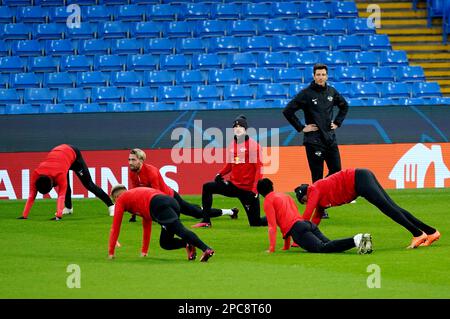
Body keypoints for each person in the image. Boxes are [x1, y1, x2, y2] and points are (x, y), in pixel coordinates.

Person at [294, 168, 441, 249]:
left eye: (304, 201)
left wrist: (297, 235)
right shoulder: (320, 201)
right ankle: (431, 232)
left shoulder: (313, 189)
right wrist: (307, 235)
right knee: (393, 207)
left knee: (389, 209)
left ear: (305, 195)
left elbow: (306, 216)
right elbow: (315, 220)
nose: (306, 203)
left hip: (359, 180)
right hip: (361, 179)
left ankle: (417, 234)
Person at [283, 63, 349, 218]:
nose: (320, 77)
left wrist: (338, 122)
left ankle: (307, 191)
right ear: (313, 76)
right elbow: (288, 111)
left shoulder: (332, 91)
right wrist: (301, 127)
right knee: (317, 176)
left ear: (327, 76)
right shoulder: (306, 93)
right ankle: (321, 207)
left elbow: (344, 106)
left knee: (337, 171)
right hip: (314, 140)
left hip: (330, 139)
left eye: (323, 74)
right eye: (318, 75)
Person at [257, 178, 372, 254]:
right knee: (329, 246)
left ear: (260, 192)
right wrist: (286, 246)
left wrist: (271, 248)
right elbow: (287, 220)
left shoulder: (268, 201)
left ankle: (356, 240)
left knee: (322, 248)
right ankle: (362, 241)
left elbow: (273, 226)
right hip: (307, 224)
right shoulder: (284, 195)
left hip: (298, 230)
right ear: (272, 187)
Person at [193, 115, 267, 228]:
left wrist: (254, 190)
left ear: (245, 129)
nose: (238, 128)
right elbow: (231, 164)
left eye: (241, 126)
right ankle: (206, 221)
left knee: (255, 223)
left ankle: (277, 217)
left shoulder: (253, 146)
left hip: (247, 190)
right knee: (207, 187)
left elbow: (259, 169)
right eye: (235, 126)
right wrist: (220, 174)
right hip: (233, 186)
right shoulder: (232, 144)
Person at [127, 148, 238, 223]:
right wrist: (134, 214)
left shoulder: (151, 171)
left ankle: (230, 211)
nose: (130, 162)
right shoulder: (132, 172)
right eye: (129, 159)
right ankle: (227, 211)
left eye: (133, 160)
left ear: (141, 160)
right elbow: (136, 192)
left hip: (169, 198)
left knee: (198, 213)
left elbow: (156, 194)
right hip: (161, 198)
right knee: (193, 208)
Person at [108, 184, 214, 262]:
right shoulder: (135, 198)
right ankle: (187, 244)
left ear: (117, 197)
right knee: (165, 242)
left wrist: (111, 253)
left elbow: (115, 227)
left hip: (158, 205)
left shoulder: (121, 199)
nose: (116, 204)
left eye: (114, 201)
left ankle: (206, 249)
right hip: (170, 201)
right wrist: (144, 251)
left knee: (180, 230)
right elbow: (147, 225)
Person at [18, 144, 114, 220]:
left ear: (52, 185)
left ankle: (111, 206)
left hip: (73, 156)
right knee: (66, 186)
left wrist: (58, 215)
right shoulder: (36, 174)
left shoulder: (59, 174)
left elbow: (61, 195)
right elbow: (32, 195)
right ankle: (68, 208)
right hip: (61, 159)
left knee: (89, 185)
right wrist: (24, 215)